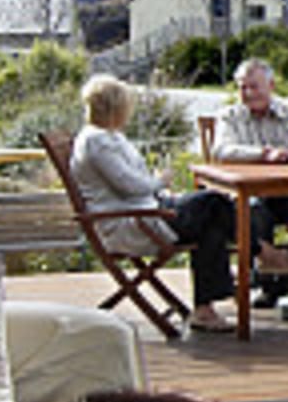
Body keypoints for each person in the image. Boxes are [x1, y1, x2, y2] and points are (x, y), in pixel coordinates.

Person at [69, 74, 234, 332]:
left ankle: (204, 309)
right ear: (116, 108)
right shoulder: (97, 143)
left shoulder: (107, 137)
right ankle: (262, 253)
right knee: (213, 202)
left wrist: (160, 192)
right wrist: (160, 182)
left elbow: (133, 184)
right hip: (132, 223)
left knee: (212, 220)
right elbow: (128, 184)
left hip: (147, 210)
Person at [211, 58, 288, 296]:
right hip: (249, 195)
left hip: (286, 192)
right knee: (254, 212)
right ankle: (266, 280)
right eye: (242, 87)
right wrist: (264, 154)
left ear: (271, 85)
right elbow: (221, 150)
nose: (247, 93)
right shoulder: (229, 116)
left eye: (254, 86)